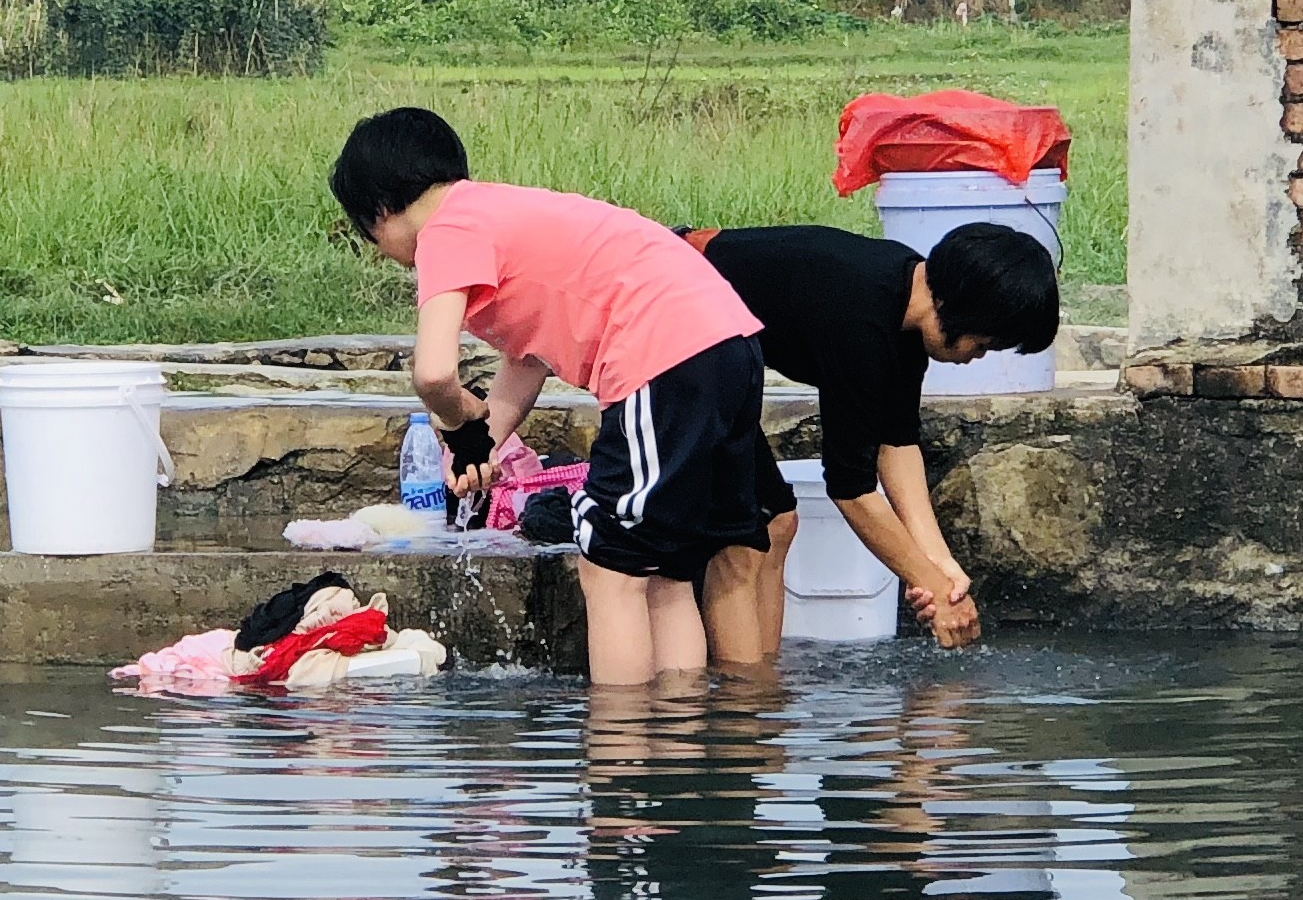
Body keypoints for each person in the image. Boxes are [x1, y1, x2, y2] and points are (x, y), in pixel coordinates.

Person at [329, 107, 787, 685]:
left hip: (662, 357)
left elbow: (434, 374)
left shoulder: (443, 231)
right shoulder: (499, 210)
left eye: (371, 237)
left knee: (610, 573)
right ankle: (677, 750)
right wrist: (483, 445)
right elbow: (528, 357)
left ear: (381, 211)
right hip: (727, 345)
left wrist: (458, 421)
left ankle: (619, 756)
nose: (381, 251)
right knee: (665, 571)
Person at [690, 219, 1057, 652]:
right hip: (675, 316)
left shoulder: (905, 308)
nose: (978, 357)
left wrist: (940, 566)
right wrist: (931, 587)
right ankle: (743, 704)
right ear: (965, 309)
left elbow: (896, 443)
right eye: (984, 343)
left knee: (775, 522)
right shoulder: (861, 320)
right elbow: (851, 489)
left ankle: (766, 696)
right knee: (742, 541)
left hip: (718, 347)